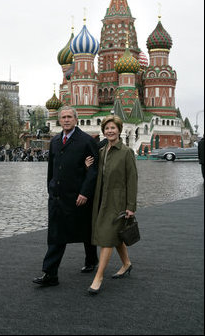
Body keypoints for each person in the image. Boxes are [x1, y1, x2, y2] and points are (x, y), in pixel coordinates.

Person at [33, 106, 99, 287]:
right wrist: (50, 187)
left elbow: (93, 171)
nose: (66, 120)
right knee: (55, 234)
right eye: (63, 117)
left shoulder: (86, 141)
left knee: (86, 230)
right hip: (57, 196)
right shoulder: (55, 141)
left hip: (77, 196)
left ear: (76, 119)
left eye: (70, 117)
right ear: (59, 121)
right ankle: (50, 273)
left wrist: (85, 192)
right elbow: (51, 168)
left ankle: (91, 260)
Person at [85, 115, 138, 295]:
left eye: (113, 128)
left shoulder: (126, 152)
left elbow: (132, 180)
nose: (110, 131)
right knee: (114, 236)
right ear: (103, 131)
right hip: (102, 200)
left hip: (118, 202)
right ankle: (127, 263)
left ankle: (98, 277)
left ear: (119, 130)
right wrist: (88, 167)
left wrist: (131, 206)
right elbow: (98, 175)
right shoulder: (101, 152)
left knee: (107, 238)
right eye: (107, 128)